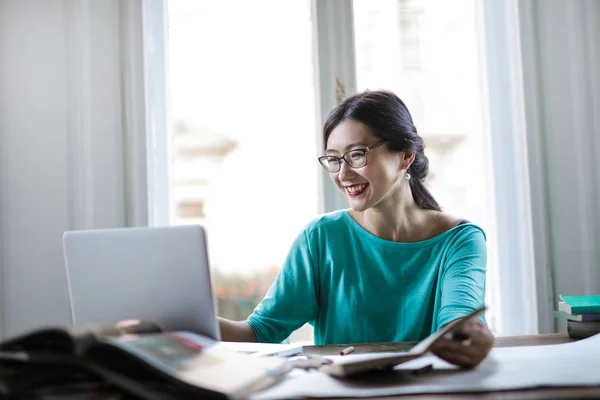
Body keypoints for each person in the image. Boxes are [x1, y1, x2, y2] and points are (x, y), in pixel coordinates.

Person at [219, 90, 494, 368]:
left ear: (406, 156)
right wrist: (183, 320)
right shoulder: (320, 238)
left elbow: (460, 320)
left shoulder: (459, 240)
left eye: (356, 155)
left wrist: (470, 336)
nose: (343, 174)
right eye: (334, 159)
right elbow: (260, 332)